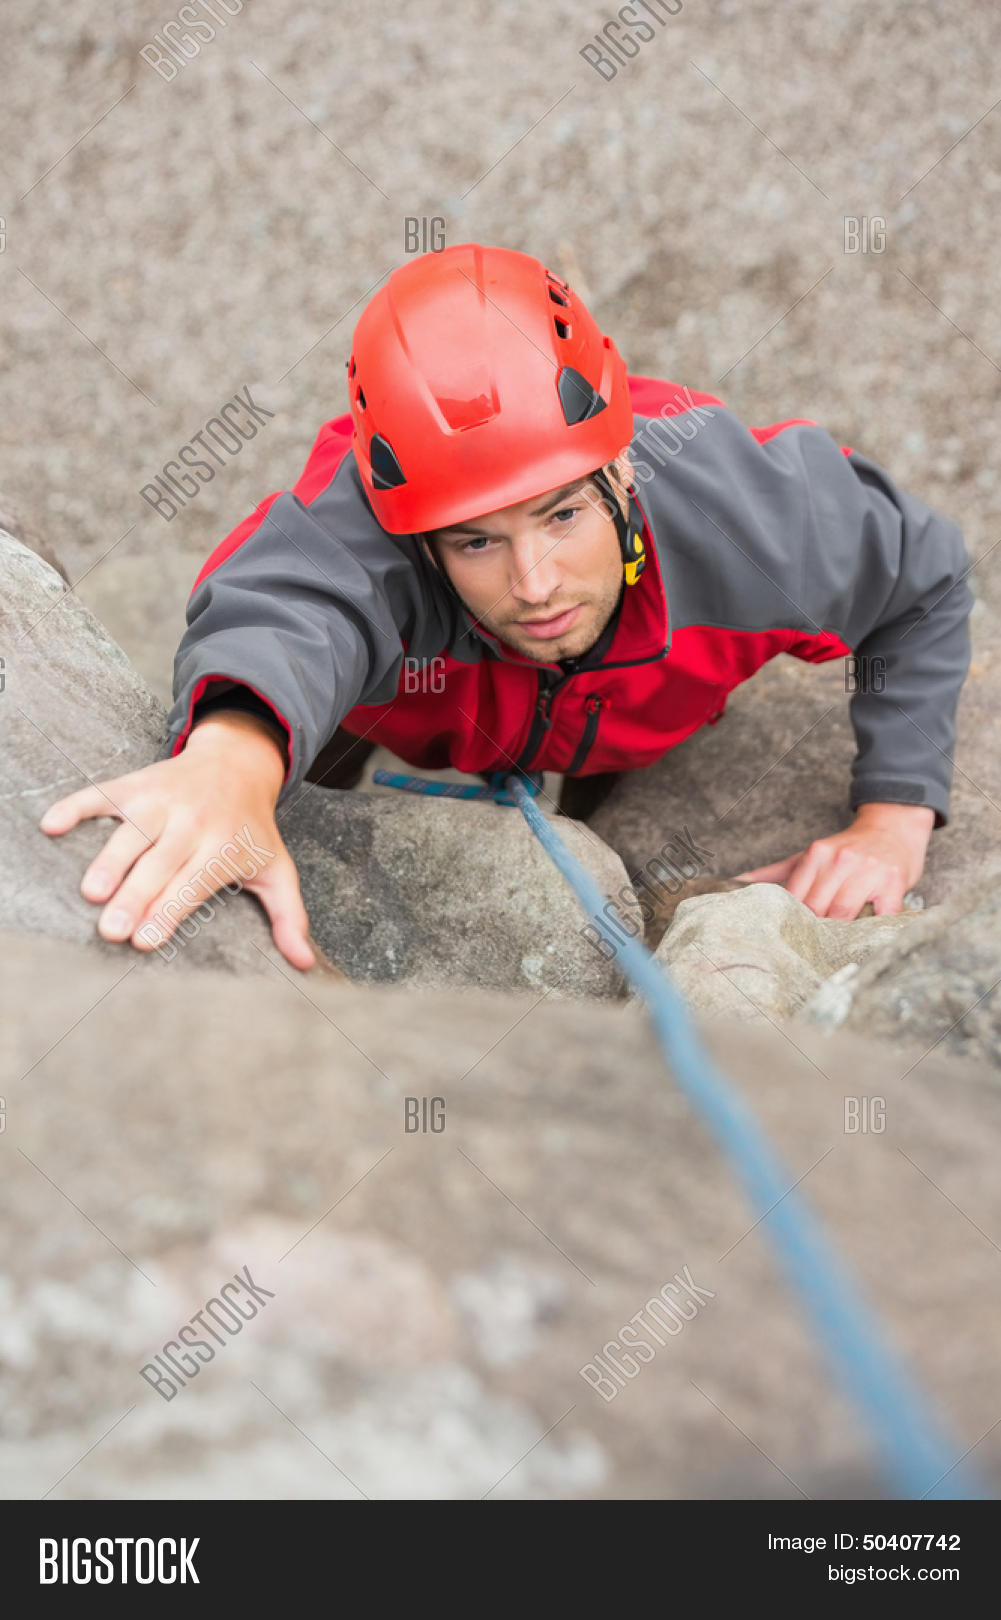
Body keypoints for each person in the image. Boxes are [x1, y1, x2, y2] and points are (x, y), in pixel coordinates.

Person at [40, 243, 974, 969]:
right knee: (291, 759)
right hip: (393, 698)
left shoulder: (753, 516)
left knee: (619, 861)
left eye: (562, 515)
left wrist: (893, 814)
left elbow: (923, 579)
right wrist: (230, 765)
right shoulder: (375, 528)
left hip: (632, 714)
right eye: (476, 541)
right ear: (413, 527)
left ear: (619, 468)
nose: (533, 584)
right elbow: (287, 608)